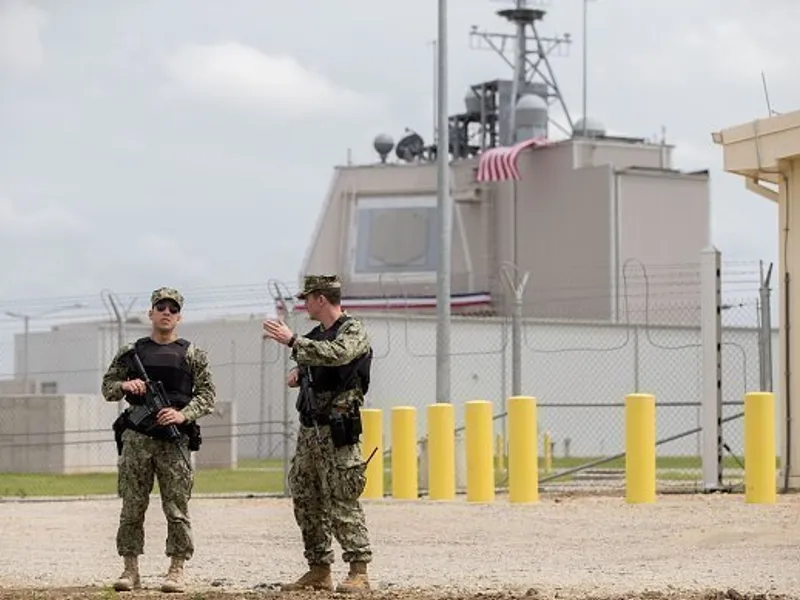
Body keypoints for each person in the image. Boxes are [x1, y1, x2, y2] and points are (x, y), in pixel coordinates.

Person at [262, 274, 374, 593]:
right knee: (305, 494)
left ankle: (359, 570)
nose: (304, 304)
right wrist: (300, 371)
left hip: (337, 426)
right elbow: (316, 359)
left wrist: (293, 342)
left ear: (321, 299)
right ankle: (319, 569)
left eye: (307, 298)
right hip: (310, 429)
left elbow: (339, 353)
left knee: (342, 493)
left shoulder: (352, 330)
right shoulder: (315, 335)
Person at [101, 287, 216, 594]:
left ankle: (176, 569)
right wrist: (127, 383)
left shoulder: (192, 354)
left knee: (176, 508)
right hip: (138, 438)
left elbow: (207, 396)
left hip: (173, 442)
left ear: (179, 317)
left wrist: (183, 415)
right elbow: (108, 387)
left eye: (173, 309)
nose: (167, 312)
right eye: (161, 307)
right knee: (132, 507)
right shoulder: (132, 352)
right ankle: (130, 569)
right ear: (150, 313)